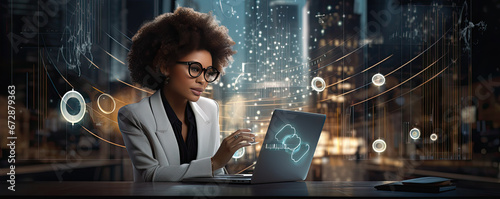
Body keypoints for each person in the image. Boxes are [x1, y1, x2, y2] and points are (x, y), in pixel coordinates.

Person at [117, 7, 255, 182]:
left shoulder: (210, 108)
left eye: (209, 72)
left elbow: (217, 174)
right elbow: (150, 175)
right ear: (165, 65)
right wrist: (214, 162)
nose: (203, 80)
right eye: (195, 69)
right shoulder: (134, 116)